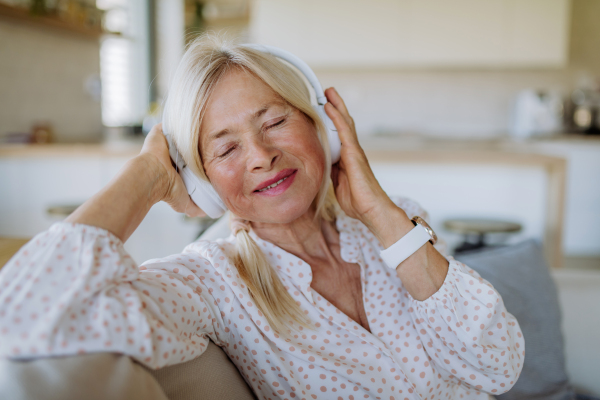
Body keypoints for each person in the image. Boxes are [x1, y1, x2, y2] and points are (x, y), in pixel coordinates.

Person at [0, 35, 523, 399]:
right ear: (203, 181)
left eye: (275, 121)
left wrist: (378, 209)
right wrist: (147, 175)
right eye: (225, 150)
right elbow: (22, 318)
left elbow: (498, 365)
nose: (259, 155)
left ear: (324, 127)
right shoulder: (211, 280)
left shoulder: (399, 222)